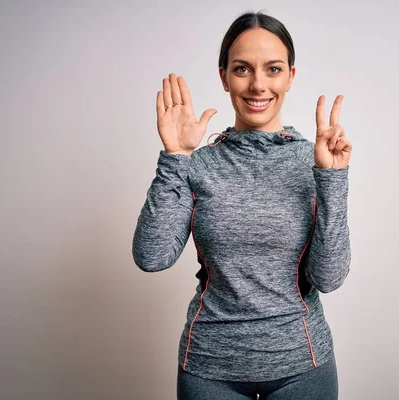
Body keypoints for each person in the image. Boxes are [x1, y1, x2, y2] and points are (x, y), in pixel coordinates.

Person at [132, 10, 352, 400]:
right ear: (223, 76)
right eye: (242, 69)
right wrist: (175, 157)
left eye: (272, 69)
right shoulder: (197, 163)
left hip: (302, 366)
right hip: (209, 368)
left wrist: (332, 180)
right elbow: (152, 256)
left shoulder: (314, 161)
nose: (257, 85)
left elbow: (329, 278)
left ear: (290, 76)